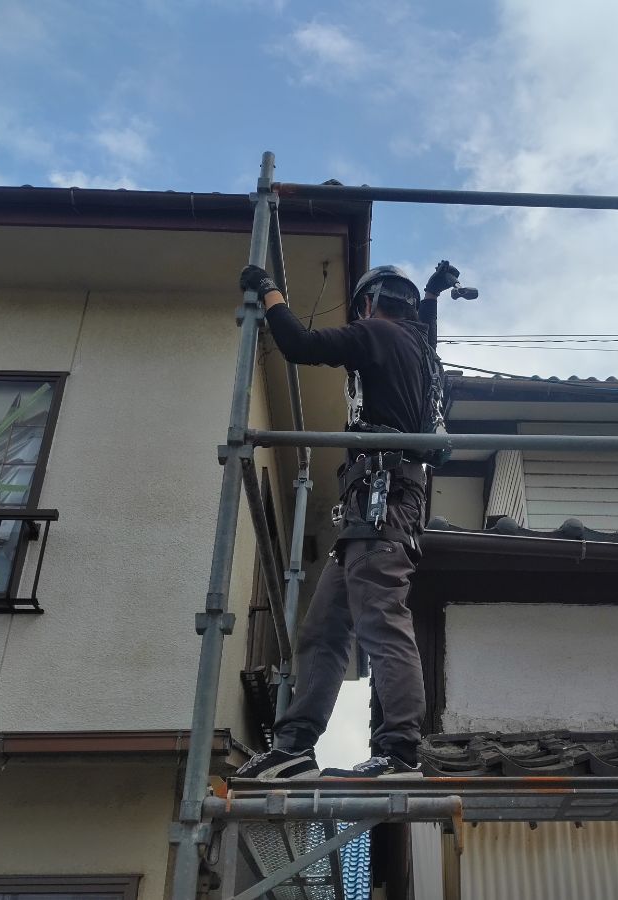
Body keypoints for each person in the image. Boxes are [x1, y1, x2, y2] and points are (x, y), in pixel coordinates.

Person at [233, 260, 461, 779]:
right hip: (375, 503)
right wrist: (431, 296)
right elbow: (423, 328)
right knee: (325, 628)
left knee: (380, 616)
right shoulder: (421, 349)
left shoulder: (376, 333)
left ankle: (398, 751)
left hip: (382, 496)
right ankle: (295, 748)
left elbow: (299, 345)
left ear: (368, 303)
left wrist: (269, 291)